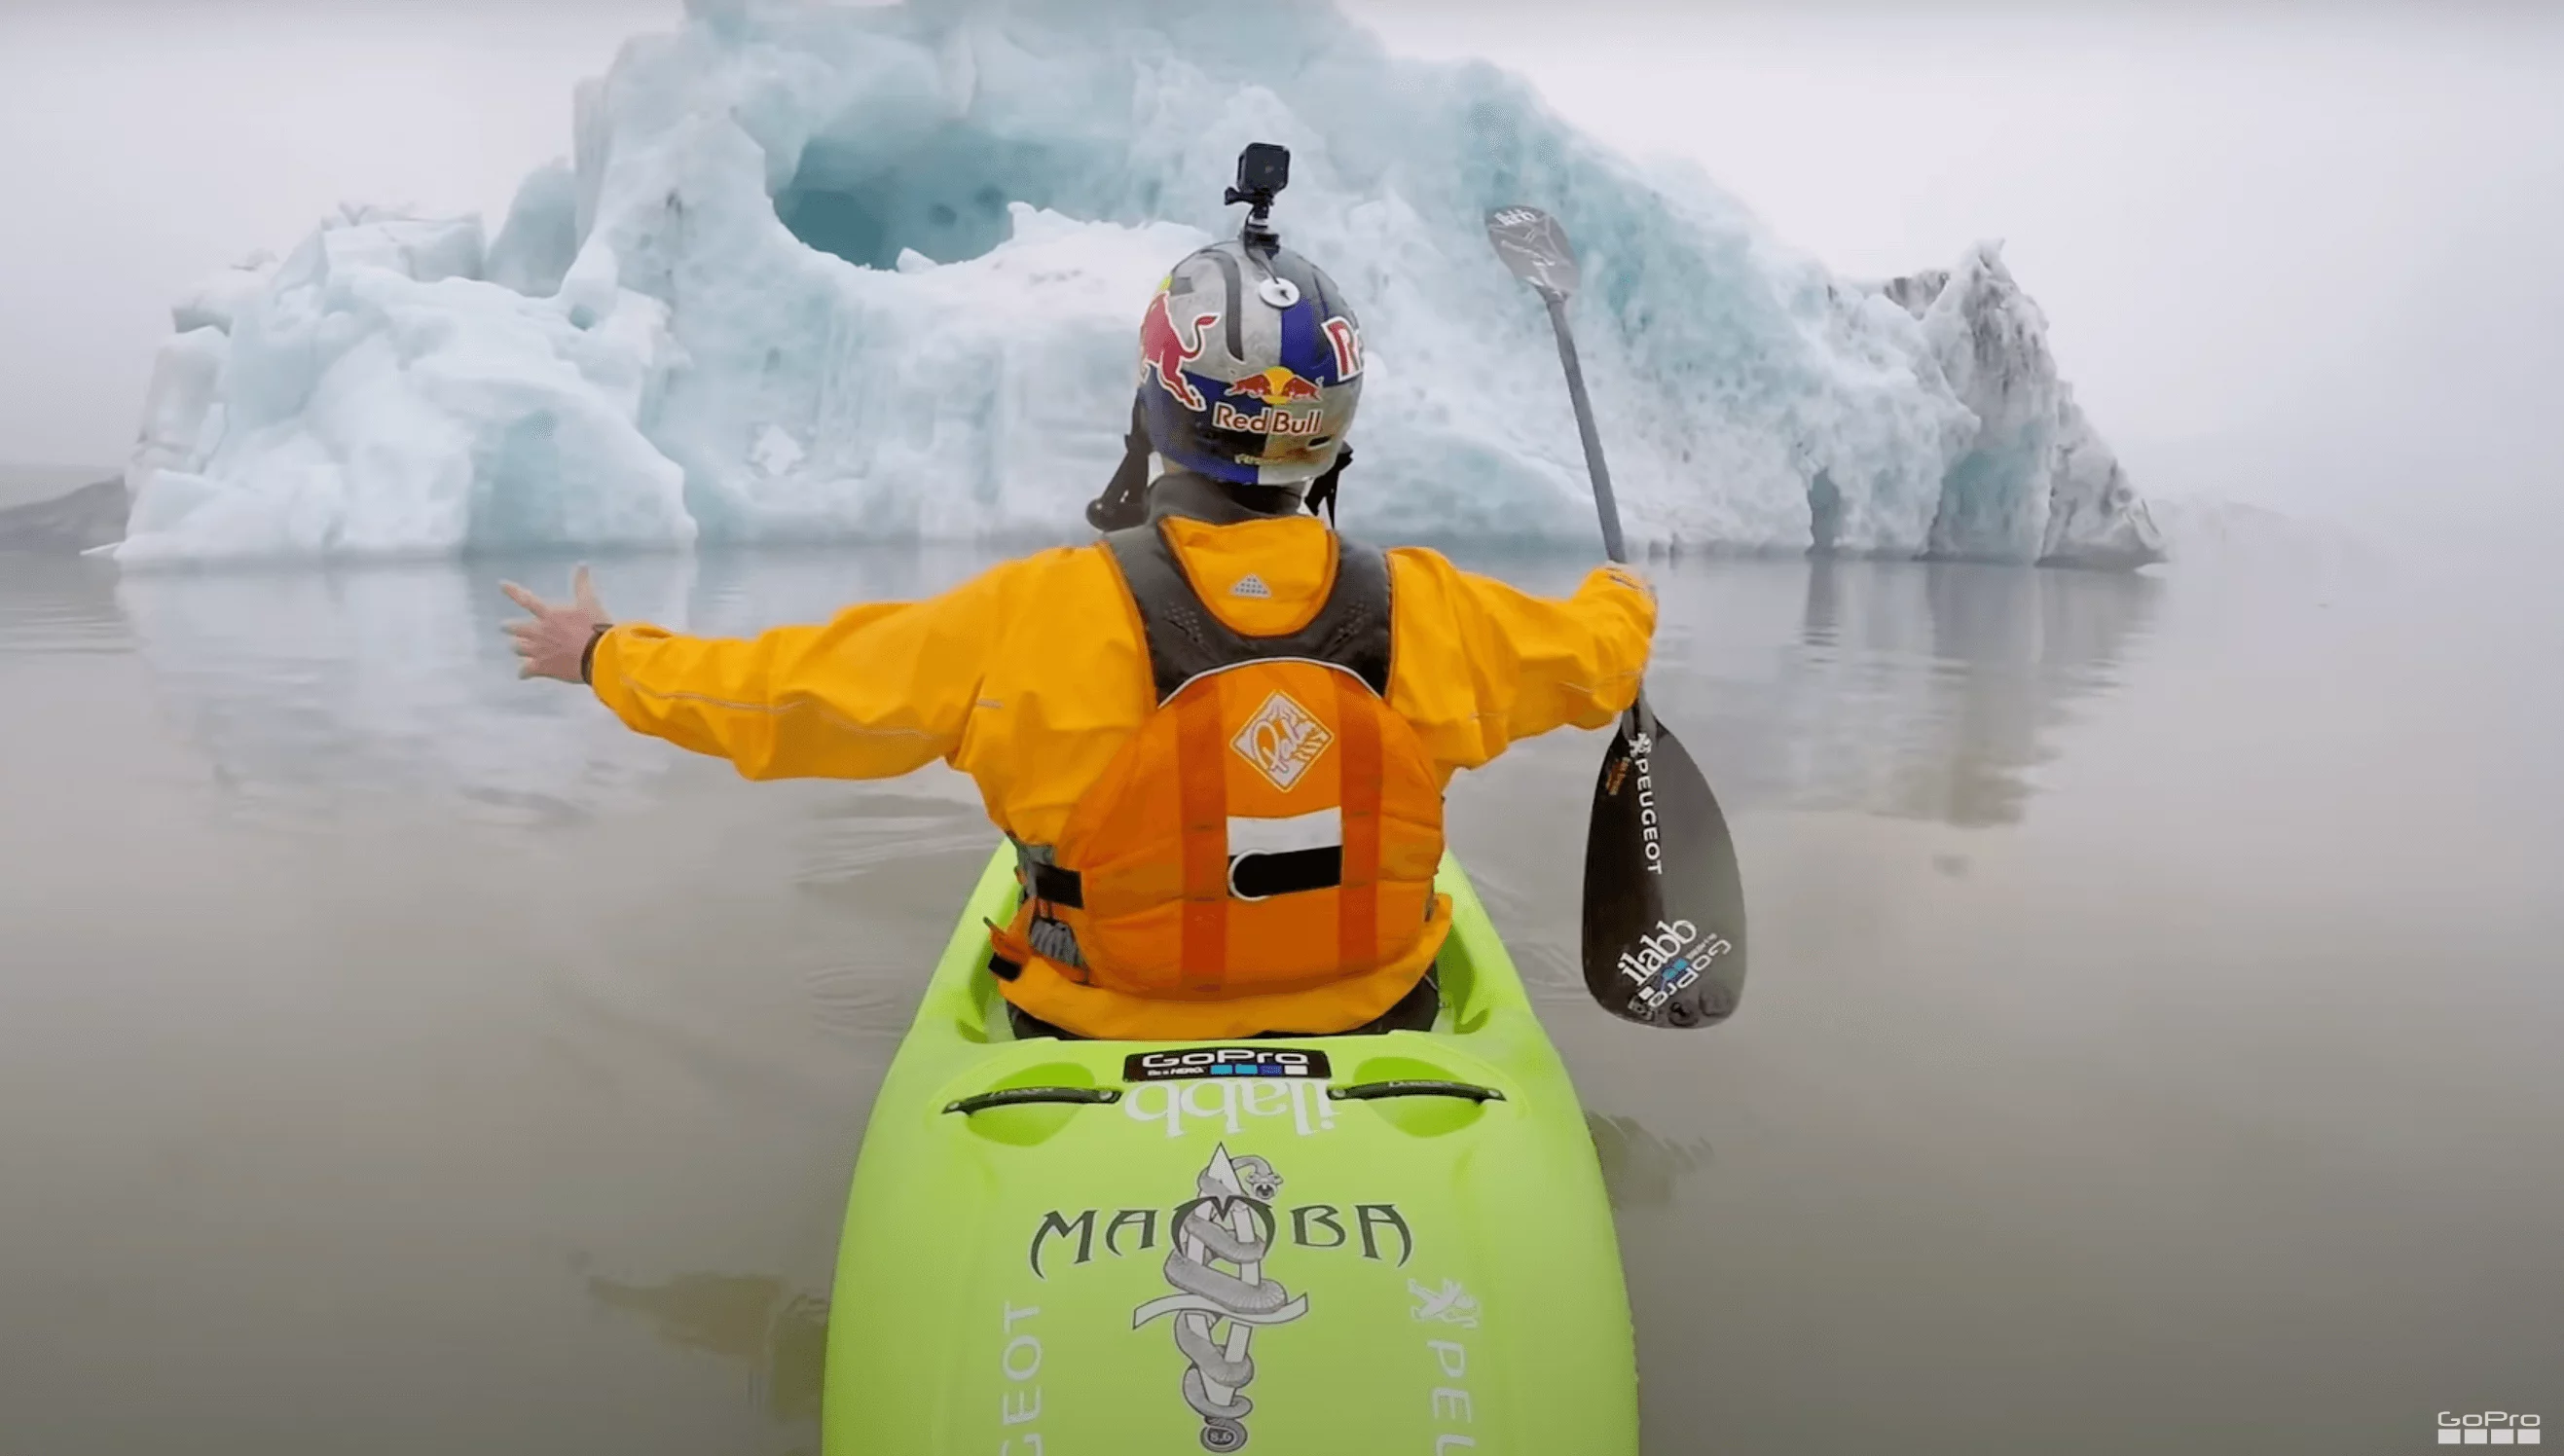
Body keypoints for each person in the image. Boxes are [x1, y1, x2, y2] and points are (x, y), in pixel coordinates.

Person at [504, 232, 1655, 1041]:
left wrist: (607, 652)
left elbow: (782, 698)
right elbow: (1602, 656)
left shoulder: (1034, 614)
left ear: (1156, 410)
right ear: (1330, 431)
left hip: (1095, 1029)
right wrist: (1623, 599)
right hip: (1370, 1008)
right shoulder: (1435, 609)